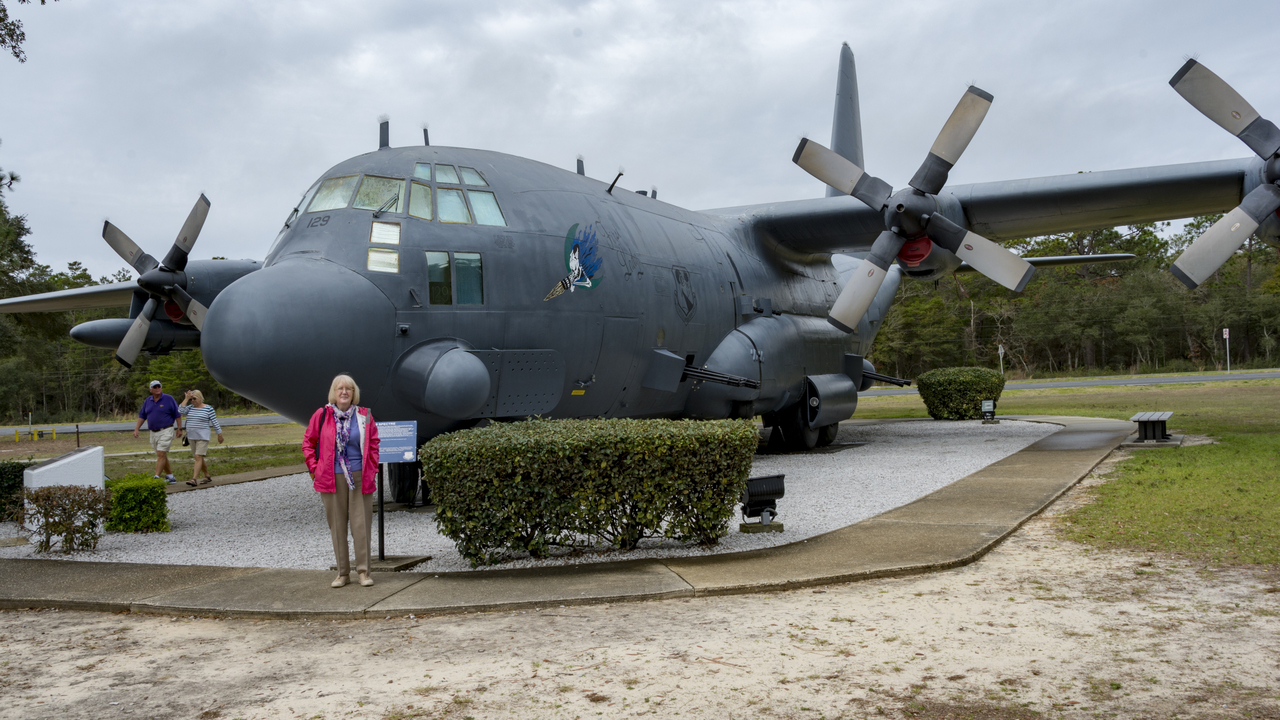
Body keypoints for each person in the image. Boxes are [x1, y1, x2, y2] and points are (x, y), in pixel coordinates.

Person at [302, 374, 381, 588]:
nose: (344, 392)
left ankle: (363, 572)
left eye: (349, 388)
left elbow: (373, 444)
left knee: (361, 526)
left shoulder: (364, 416)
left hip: (359, 476)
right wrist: (315, 468)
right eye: (340, 388)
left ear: (354, 393)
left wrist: (371, 470)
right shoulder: (321, 415)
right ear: (333, 393)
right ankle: (342, 573)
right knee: (337, 527)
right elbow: (308, 443)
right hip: (331, 477)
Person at [133, 380, 183, 484]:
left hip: (166, 429)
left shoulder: (168, 399)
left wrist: (179, 428)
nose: (157, 389)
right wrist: (137, 428)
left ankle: (156, 477)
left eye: (158, 386)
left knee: (161, 453)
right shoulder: (148, 401)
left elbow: (177, 415)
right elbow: (142, 415)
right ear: (150, 389)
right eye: (154, 387)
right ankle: (170, 477)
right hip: (153, 432)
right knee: (162, 454)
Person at [179, 390, 224, 486]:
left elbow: (215, 422)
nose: (193, 401)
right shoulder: (190, 408)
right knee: (199, 457)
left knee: (198, 456)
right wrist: (186, 399)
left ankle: (194, 479)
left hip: (203, 436)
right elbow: (180, 410)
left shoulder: (208, 408)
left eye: (194, 398)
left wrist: (219, 435)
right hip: (191, 436)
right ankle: (207, 476)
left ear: (200, 398)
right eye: (191, 399)